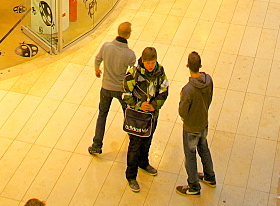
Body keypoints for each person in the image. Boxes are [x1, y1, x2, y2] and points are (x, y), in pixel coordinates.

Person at [123, 45, 169, 192]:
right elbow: (125, 94)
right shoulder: (133, 74)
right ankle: (131, 176)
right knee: (134, 145)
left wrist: (155, 105)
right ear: (143, 60)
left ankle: (144, 163)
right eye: (148, 63)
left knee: (147, 140)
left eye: (152, 63)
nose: (150, 66)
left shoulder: (160, 71)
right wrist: (139, 105)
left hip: (151, 116)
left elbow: (164, 89)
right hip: (137, 117)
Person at [88, 20, 136, 156]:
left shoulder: (106, 46)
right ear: (128, 35)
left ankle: (97, 145)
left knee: (102, 115)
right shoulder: (130, 54)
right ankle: (132, 135)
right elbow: (133, 73)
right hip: (121, 90)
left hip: (106, 88)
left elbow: (97, 59)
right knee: (128, 113)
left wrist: (97, 70)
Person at [176, 51, 216, 196]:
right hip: (203, 122)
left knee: (190, 154)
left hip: (191, 127)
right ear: (200, 65)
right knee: (204, 148)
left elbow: (182, 112)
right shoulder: (209, 80)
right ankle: (210, 176)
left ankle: (193, 186)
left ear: (187, 65)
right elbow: (210, 98)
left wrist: (186, 118)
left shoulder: (188, 90)